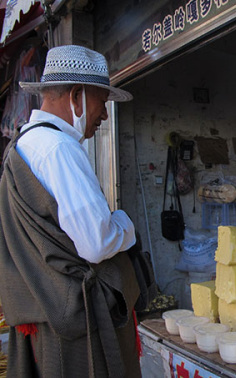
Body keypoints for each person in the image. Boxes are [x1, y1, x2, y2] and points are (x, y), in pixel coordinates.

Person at [0, 45, 141, 377]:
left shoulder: (21, 145)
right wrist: (124, 223)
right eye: (101, 102)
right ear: (77, 96)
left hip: (43, 312)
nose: (104, 115)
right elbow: (97, 243)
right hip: (74, 326)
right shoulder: (59, 149)